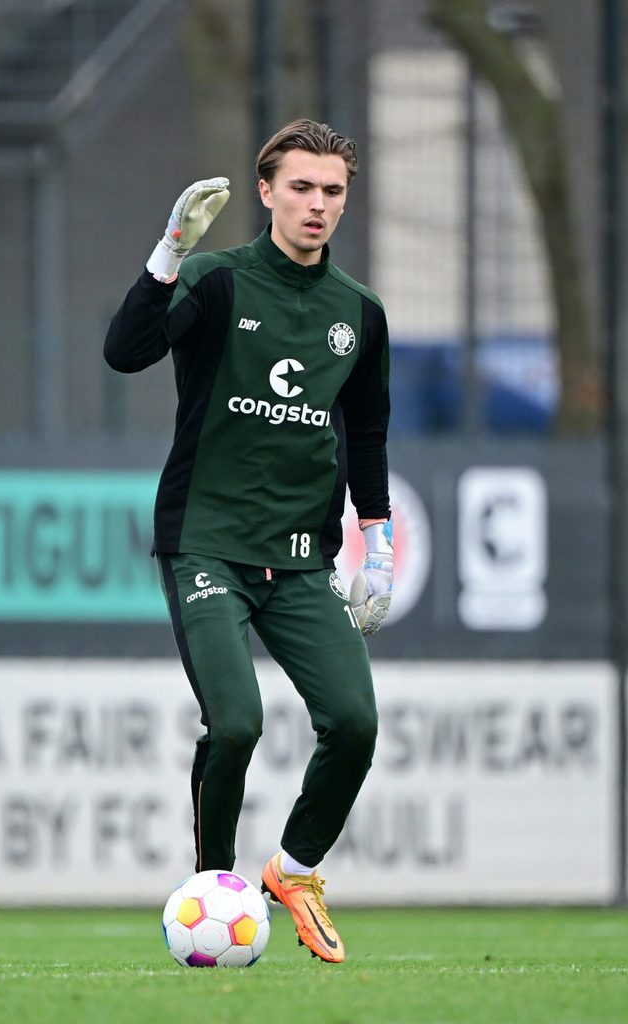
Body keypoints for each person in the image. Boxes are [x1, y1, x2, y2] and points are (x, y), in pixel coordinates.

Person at [104, 119, 392, 963]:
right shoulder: (216, 280)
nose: (316, 205)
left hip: (302, 558)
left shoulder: (359, 313)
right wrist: (166, 256)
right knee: (234, 725)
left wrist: (374, 541)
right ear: (265, 192)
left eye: (332, 191)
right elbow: (125, 353)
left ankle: (293, 872)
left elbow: (366, 431)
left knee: (355, 720)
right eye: (300, 187)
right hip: (207, 542)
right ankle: (213, 891)